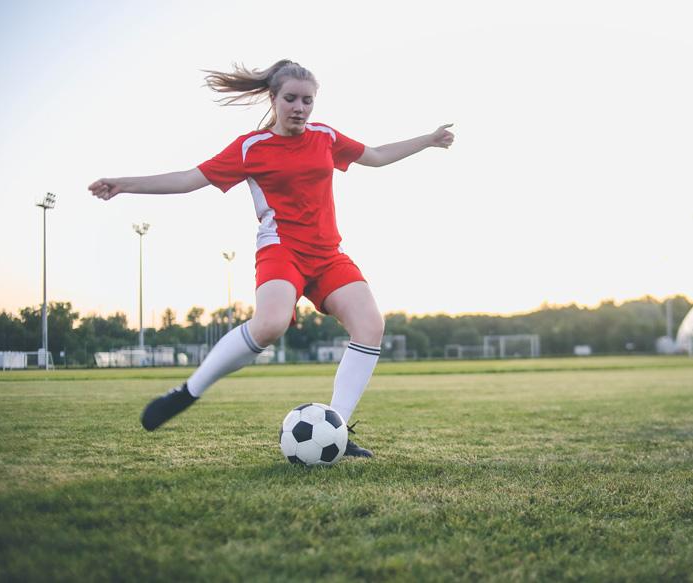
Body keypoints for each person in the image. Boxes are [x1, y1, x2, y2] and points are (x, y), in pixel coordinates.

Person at [88, 59, 454, 458]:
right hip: (281, 250)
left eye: (307, 100)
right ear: (274, 99)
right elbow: (188, 179)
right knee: (270, 324)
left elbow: (378, 155)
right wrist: (123, 184)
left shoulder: (325, 137)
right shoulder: (251, 147)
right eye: (291, 99)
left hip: (329, 254)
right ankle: (187, 392)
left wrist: (429, 139)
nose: (299, 108)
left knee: (370, 326)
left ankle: (338, 429)